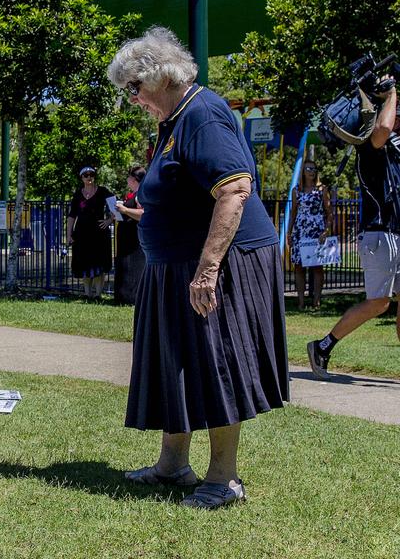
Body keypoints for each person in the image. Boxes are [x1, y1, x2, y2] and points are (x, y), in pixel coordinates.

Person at [108, 26, 287, 509]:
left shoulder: (203, 114)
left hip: (219, 265)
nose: (133, 100)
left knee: (215, 363)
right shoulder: (174, 120)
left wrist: (207, 270)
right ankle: (173, 464)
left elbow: (234, 189)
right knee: (176, 364)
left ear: (160, 76)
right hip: (174, 263)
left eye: (134, 88)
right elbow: (181, 194)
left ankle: (224, 479)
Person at [308, 78, 400, 378]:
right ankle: (322, 346)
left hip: (395, 232)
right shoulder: (371, 145)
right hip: (380, 233)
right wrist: (391, 94)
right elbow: (383, 129)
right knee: (378, 303)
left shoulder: (392, 152)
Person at [286, 161, 333, 310]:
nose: (312, 171)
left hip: (316, 232)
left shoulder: (322, 189)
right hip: (300, 232)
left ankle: (316, 301)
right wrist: (289, 232)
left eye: (314, 169)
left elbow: (329, 212)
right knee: (299, 267)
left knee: (317, 267)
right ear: (303, 172)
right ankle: (300, 301)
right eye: (308, 169)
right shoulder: (296, 190)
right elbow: (293, 213)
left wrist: (326, 230)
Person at [66, 167, 114, 298]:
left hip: (99, 234)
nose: (89, 177)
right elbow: (71, 216)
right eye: (86, 175)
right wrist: (68, 235)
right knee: (84, 264)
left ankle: (98, 295)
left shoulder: (103, 192)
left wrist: (109, 220)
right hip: (81, 234)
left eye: (91, 175)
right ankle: (87, 294)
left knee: (99, 264)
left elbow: (116, 207)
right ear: (81, 178)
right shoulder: (77, 194)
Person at [112, 166, 147, 305]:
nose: (127, 179)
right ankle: (123, 296)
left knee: (134, 268)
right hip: (125, 240)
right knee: (125, 267)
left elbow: (143, 214)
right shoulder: (131, 194)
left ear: (134, 179)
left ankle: (133, 297)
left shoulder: (142, 194)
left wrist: (125, 210)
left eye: (129, 177)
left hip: (135, 241)